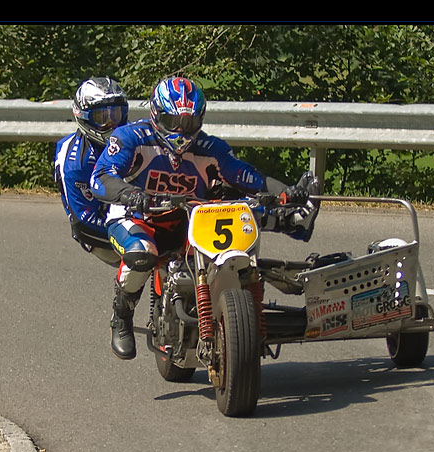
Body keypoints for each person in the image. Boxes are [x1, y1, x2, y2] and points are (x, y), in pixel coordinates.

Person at [91, 76, 319, 360]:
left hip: (190, 217)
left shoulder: (211, 148)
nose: (181, 131)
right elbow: (100, 178)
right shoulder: (130, 138)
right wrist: (130, 194)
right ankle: (121, 315)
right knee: (142, 254)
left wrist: (287, 193)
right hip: (136, 216)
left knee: (240, 213)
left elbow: (247, 176)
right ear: (156, 114)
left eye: (188, 123)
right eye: (172, 121)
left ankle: (286, 227)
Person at [54, 77, 130, 268]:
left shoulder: (132, 136)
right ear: (84, 117)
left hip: (137, 209)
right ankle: (126, 296)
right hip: (98, 228)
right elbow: (83, 222)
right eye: (102, 118)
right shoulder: (75, 163)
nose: (112, 124)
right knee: (149, 257)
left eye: (117, 114)